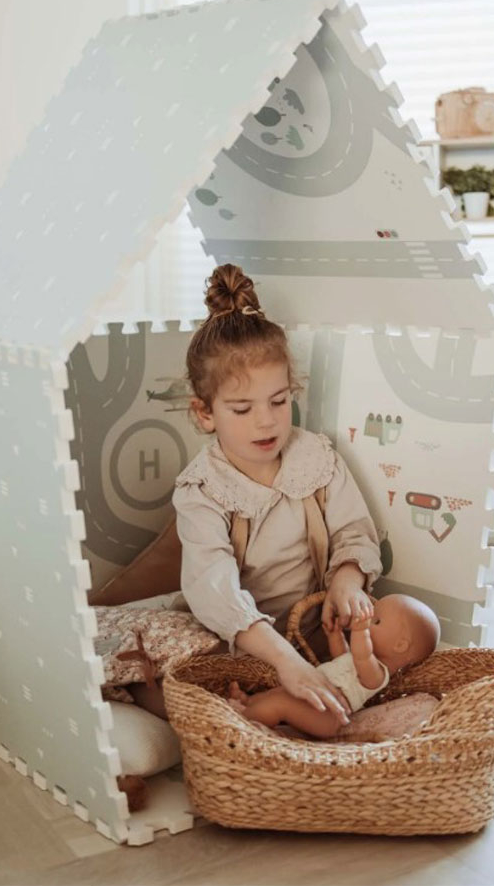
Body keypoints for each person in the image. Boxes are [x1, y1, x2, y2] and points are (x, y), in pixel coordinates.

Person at [166, 263, 384, 726]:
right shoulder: (203, 490)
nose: (266, 421)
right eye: (242, 409)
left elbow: (354, 530)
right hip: (241, 638)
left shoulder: (315, 459)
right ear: (205, 413)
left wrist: (347, 580)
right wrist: (285, 662)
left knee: (411, 623)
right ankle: (251, 706)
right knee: (175, 671)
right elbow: (213, 588)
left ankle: (286, 703)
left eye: (279, 401)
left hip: (313, 628)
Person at [228, 593, 440, 738]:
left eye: (376, 621)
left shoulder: (378, 675)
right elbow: (342, 656)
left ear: (400, 645)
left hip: (327, 716)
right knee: (279, 692)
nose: (368, 622)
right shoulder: (361, 658)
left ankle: (243, 724)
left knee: (280, 703)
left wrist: (360, 631)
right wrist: (335, 635)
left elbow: (362, 656)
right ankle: (247, 702)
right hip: (316, 699)